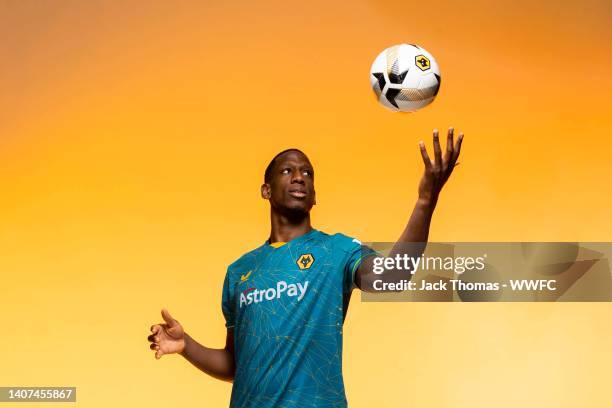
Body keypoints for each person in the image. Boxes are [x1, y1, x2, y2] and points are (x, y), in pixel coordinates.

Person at [147, 128, 463, 407]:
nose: (300, 177)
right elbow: (235, 365)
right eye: (288, 170)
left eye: (308, 173)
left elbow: (391, 277)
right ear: (266, 190)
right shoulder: (239, 271)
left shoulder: (336, 251)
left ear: (314, 196)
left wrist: (425, 200)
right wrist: (186, 345)